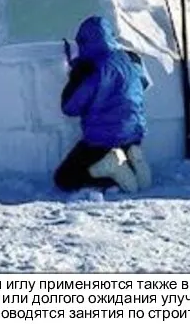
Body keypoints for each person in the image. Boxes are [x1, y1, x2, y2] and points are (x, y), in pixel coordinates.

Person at [54, 16, 152, 193]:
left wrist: (75, 76)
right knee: (124, 147)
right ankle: (133, 163)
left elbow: (69, 107)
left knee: (64, 179)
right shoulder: (131, 58)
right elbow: (144, 84)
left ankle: (113, 172)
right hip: (134, 133)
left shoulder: (89, 69)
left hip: (103, 140)